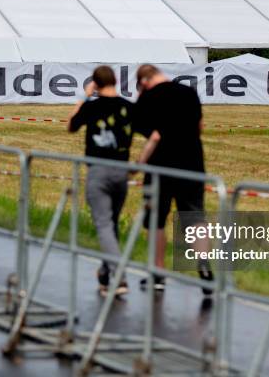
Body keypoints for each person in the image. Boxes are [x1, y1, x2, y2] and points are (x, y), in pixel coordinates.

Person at [134, 64, 213, 295]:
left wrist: (141, 96)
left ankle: (157, 273)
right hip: (192, 163)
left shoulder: (148, 98)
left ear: (144, 82)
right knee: (195, 216)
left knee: (156, 220)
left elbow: (150, 133)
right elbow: (200, 126)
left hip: (160, 167)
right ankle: (205, 267)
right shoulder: (188, 92)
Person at [67, 66, 134, 297]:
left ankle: (120, 277)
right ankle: (106, 273)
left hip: (99, 171)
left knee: (104, 226)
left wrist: (85, 96)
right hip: (122, 172)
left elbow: (71, 125)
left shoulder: (92, 107)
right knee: (112, 224)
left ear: (95, 83)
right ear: (116, 81)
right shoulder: (128, 107)